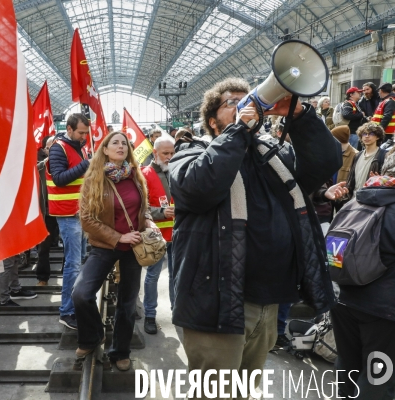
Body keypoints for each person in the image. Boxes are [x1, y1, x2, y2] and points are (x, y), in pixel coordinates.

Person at [169, 78, 340, 398]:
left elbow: (325, 162)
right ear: (211, 120)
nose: (244, 104)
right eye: (232, 102)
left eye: (247, 99)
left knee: (245, 391)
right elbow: (198, 187)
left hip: (269, 302)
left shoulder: (276, 157)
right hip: (217, 305)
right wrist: (238, 130)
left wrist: (299, 114)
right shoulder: (191, 152)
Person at [72, 131, 156, 371]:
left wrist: (148, 220)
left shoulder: (136, 176)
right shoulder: (94, 179)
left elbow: (144, 208)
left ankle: (120, 350)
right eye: (115, 143)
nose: (121, 146)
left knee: (127, 304)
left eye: (125, 143)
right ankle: (92, 337)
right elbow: (86, 219)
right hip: (105, 246)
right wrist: (118, 236)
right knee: (81, 293)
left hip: (134, 248)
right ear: (105, 150)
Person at [331, 148, 395, 399]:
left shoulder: (359, 199)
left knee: (347, 365)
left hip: (343, 297)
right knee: (378, 377)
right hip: (384, 311)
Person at [47, 113, 90, 330]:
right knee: (72, 265)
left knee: (78, 261)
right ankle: (67, 311)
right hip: (67, 216)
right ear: (70, 129)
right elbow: (59, 178)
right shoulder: (58, 148)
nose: (84, 137)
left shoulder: (77, 147)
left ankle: (75, 305)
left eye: (86, 133)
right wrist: (86, 165)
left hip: (79, 215)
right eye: (81, 132)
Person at [141, 135, 176, 335]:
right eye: (165, 153)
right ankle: (150, 316)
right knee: (153, 276)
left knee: (175, 276)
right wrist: (161, 212)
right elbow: (139, 208)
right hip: (155, 236)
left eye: (172, 153)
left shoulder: (177, 171)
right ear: (155, 153)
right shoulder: (144, 174)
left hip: (176, 234)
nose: (170, 157)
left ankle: (176, 311)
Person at [343, 122, 387, 201]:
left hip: (371, 199)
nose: (367, 136)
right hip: (354, 198)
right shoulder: (357, 155)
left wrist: (379, 179)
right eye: (364, 134)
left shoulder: (384, 155)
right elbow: (351, 178)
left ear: (378, 137)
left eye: (371, 133)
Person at [36, 136, 58, 286]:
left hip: (66, 212)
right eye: (51, 148)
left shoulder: (70, 166)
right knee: (44, 246)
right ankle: (43, 277)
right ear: (45, 150)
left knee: (70, 247)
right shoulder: (40, 168)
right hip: (47, 213)